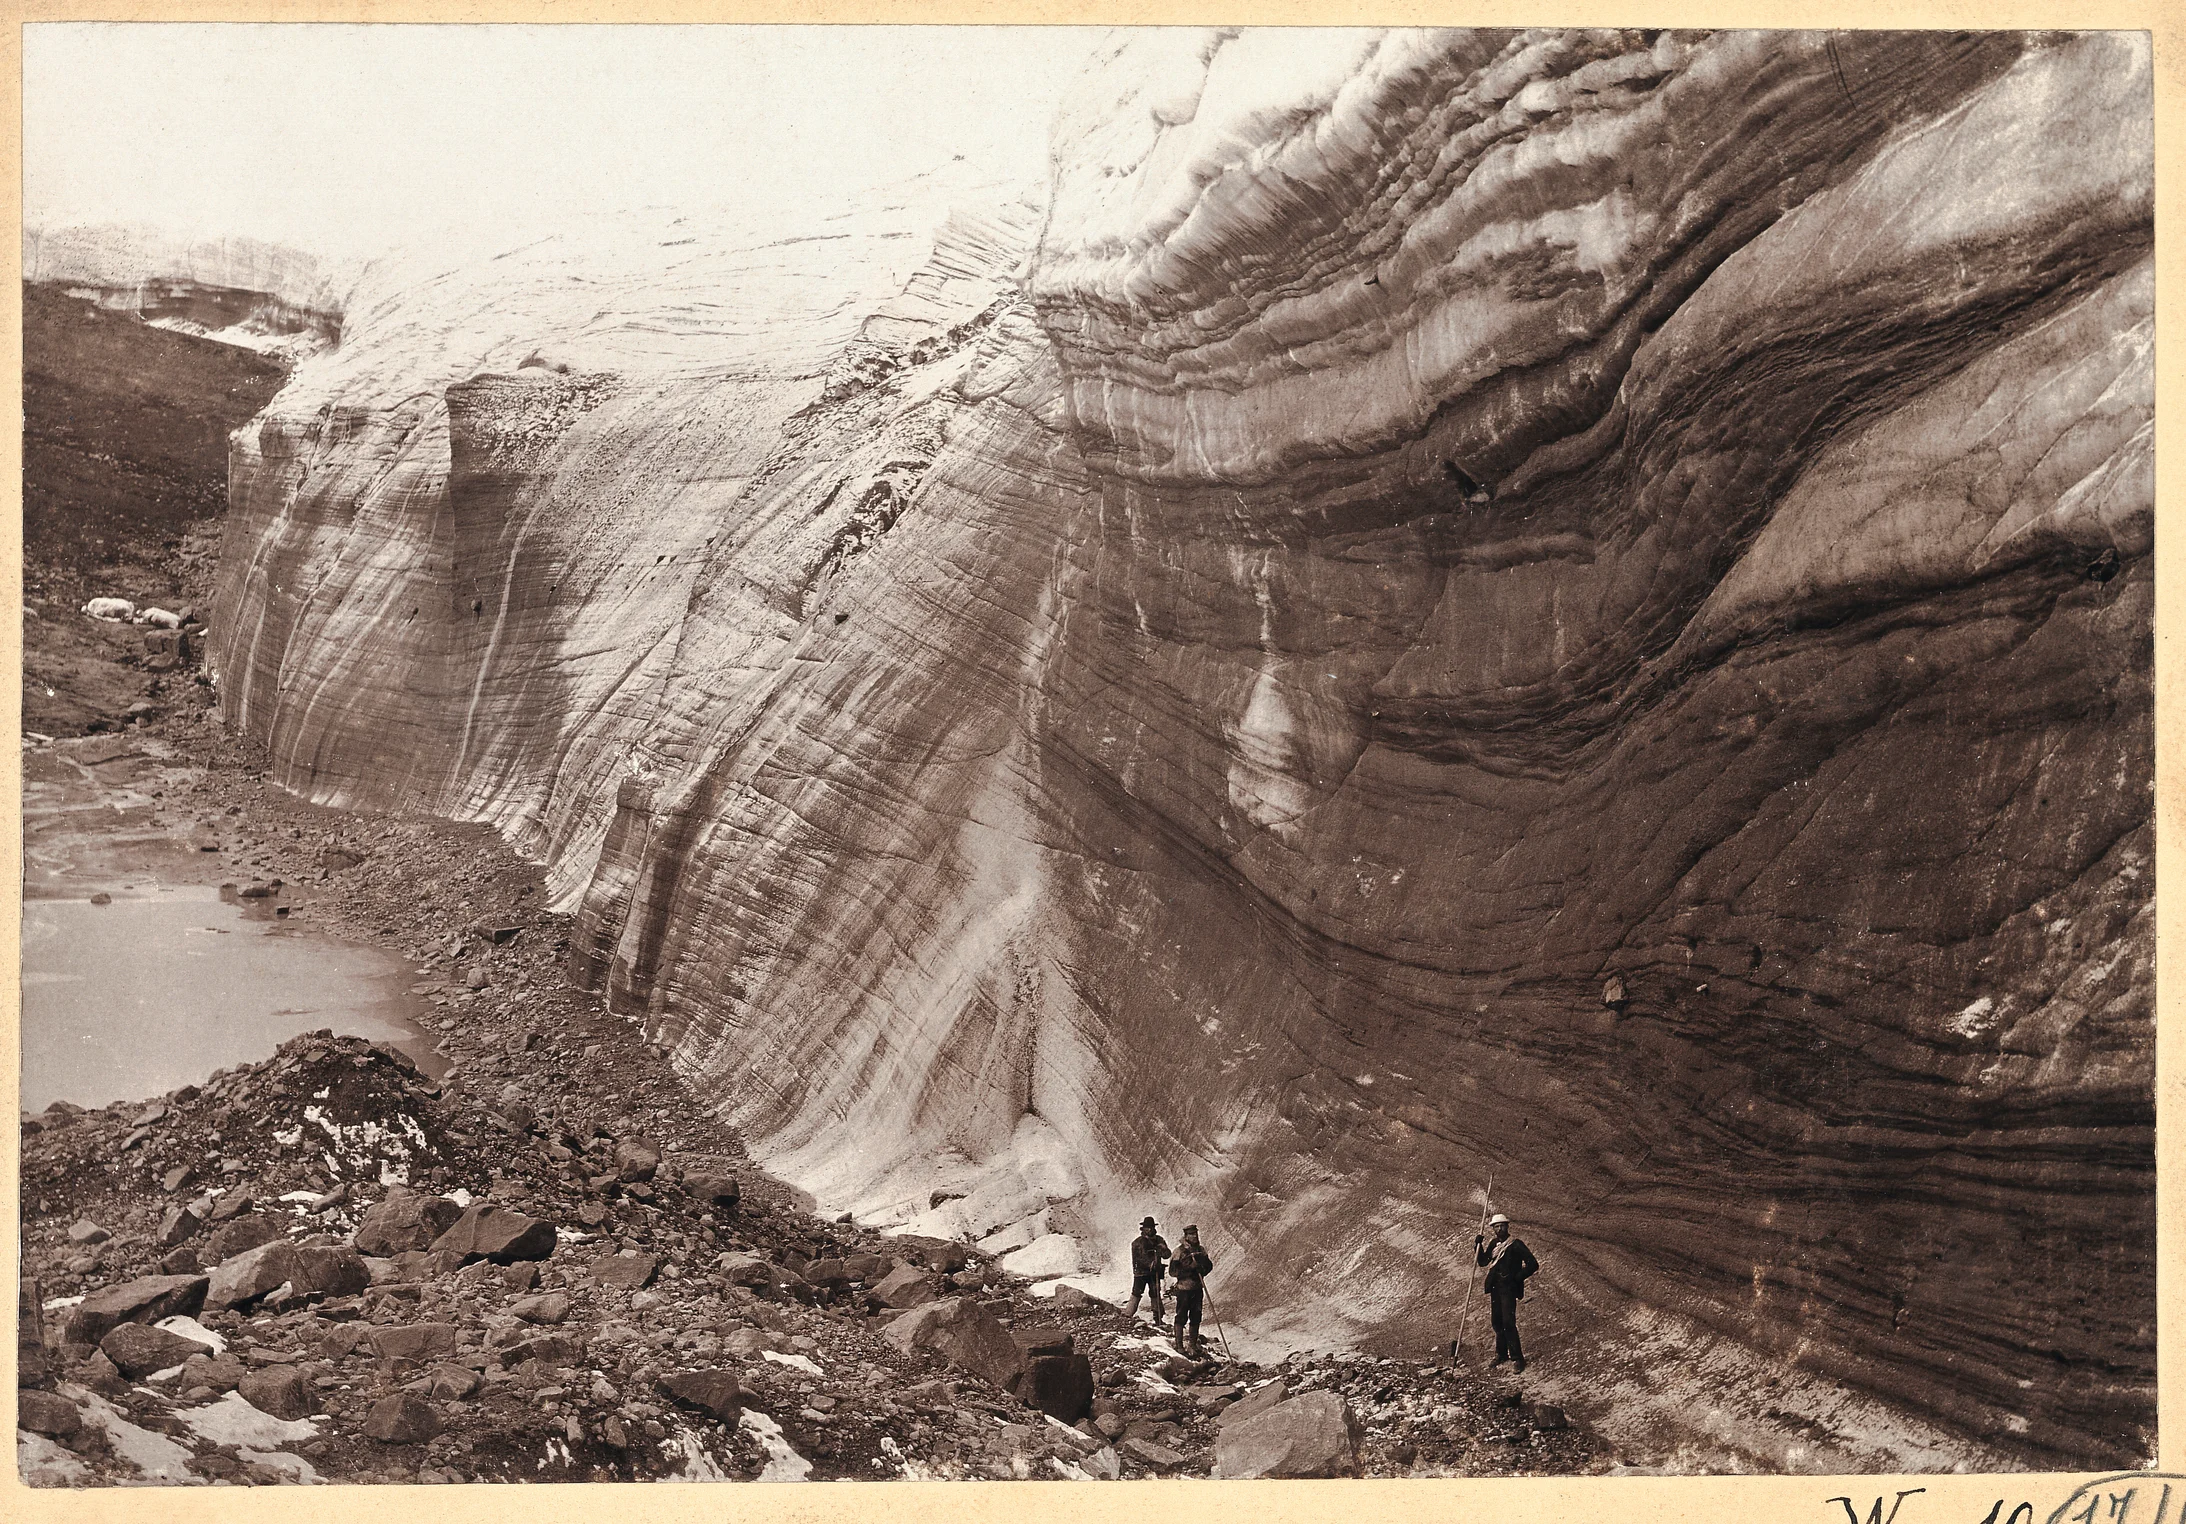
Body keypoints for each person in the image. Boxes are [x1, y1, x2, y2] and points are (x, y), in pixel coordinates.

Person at [1476, 1213, 1540, 1372]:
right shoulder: (1493, 1244)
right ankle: (1501, 1354)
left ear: (1507, 1226)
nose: (1500, 1229)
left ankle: (1517, 1358)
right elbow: (1483, 1262)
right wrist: (1478, 1246)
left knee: (1508, 1322)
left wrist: (1516, 1278)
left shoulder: (1516, 1244)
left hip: (1509, 1289)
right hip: (1495, 1288)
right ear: (1493, 1229)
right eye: (1496, 1226)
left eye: (1502, 1225)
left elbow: (1533, 1264)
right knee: (1497, 1322)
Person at [1168, 1225, 1214, 1358]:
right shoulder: (1179, 1252)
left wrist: (1202, 1269)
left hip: (1197, 1288)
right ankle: (1179, 1345)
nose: (1195, 1236)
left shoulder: (1201, 1250)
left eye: (1196, 1234)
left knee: (1196, 1316)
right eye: (1192, 1234)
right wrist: (1189, 1269)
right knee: (1181, 1316)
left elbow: (1209, 1265)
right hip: (1184, 1289)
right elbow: (1173, 1272)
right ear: (1186, 1236)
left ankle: (1193, 1344)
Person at [1125, 1217, 1170, 1328]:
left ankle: (1158, 1318)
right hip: (1141, 1273)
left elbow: (1167, 1255)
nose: (1150, 1230)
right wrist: (1150, 1264)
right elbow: (1138, 1259)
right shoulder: (1137, 1243)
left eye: (1151, 1227)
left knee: (1155, 1294)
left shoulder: (1159, 1240)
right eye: (1147, 1228)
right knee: (1136, 1292)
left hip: (1155, 1273)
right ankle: (1127, 1315)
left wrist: (1163, 1249)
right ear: (1143, 1229)